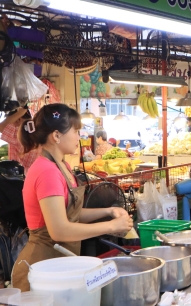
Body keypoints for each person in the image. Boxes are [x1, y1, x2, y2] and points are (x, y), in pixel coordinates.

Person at [11, 104, 133, 291]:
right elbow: (59, 230)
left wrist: (109, 211)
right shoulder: (46, 171)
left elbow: (71, 214)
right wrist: (112, 226)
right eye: (75, 131)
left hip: (60, 262)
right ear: (56, 135)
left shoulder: (62, 166)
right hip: (42, 267)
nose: (79, 137)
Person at [0, 107, 40, 174]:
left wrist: (20, 112)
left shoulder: (20, 135)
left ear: (18, 119)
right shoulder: (37, 133)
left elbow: (1, 127)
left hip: (22, 175)